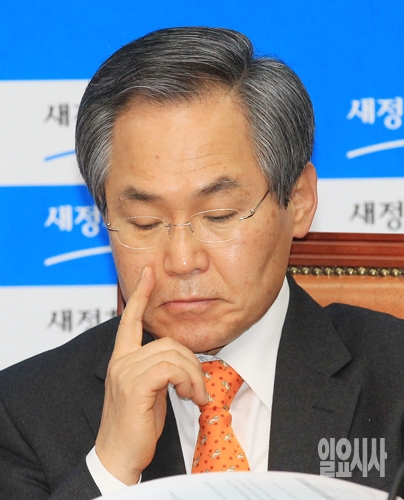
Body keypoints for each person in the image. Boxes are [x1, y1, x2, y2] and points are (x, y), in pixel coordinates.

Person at [0, 26, 403, 500]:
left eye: (219, 216)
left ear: (298, 201)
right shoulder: (24, 413)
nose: (182, 260)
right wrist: (109, 472)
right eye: (145, 223)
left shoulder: (393, 382)